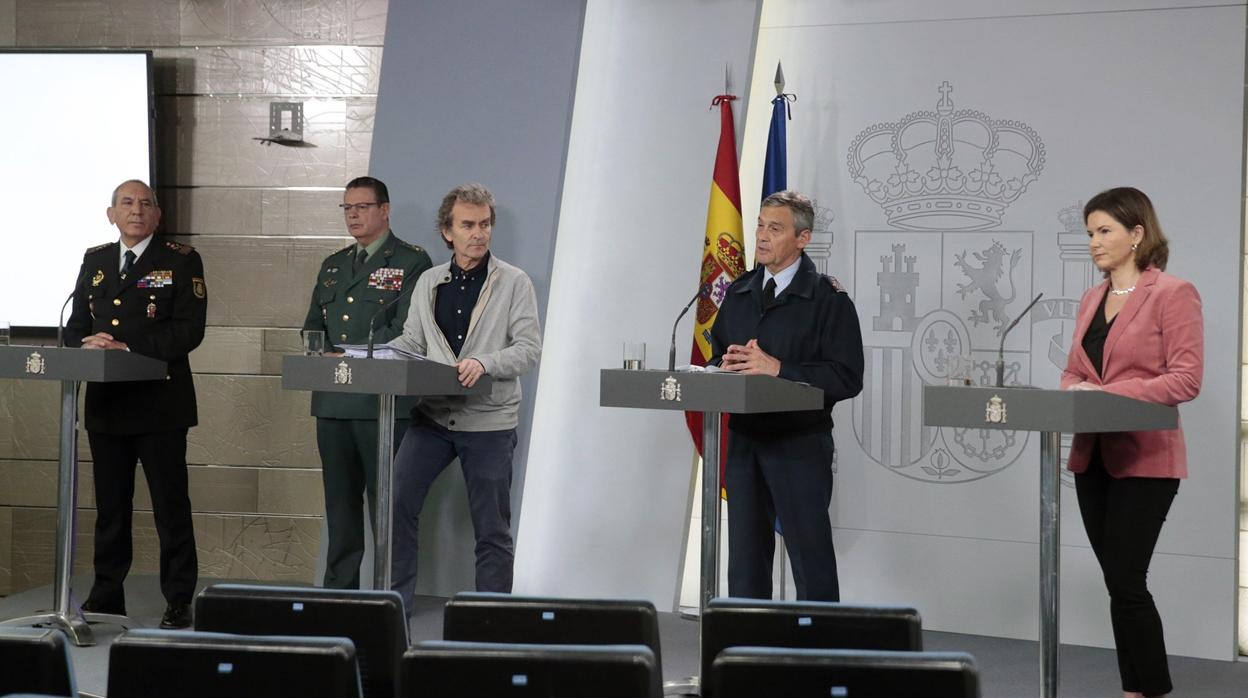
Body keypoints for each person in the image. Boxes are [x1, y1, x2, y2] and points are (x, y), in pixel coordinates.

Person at [1061, 187, 1202, 698]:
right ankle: (1134, 688)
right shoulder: (1090, 298)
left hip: (1146, 459)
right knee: (1117, 584)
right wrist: (1074, 390)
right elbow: (1075, 371)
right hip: (1090, 457)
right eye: (1090, 233)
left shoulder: (1173, 293)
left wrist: (1107, 392)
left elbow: (1186, 379)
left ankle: (1152, 688)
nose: (1094, 243)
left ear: (1137, 234)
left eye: (1104, 231)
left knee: (1126, 580)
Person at [388, 183, 541, 611]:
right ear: (447, 232)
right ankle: (395, 603)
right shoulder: (429, 282)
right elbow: (412, 341)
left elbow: (529, 349)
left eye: (485, 224)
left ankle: (489, 619)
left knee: (492, 527)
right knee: (398, 502)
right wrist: (374, 354)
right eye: (468, 225)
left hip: (489, 421)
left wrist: (486, 362)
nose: (479, 233)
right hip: (433, 418)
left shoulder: (514, 282)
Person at [63, 179, 207, 629]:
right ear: (112, 214)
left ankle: (179, 598)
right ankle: (107, 596)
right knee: (110, 509)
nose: (137, 210)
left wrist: (125, 345)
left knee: (170, 507)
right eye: (127, 203)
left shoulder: (181, 260)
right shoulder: (96, 260)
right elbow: (75, 325)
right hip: (106, 405)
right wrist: (87, 341)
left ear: (158, 216)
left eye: (146, 203)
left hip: (160, 404)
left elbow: (189, 329)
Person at [709, 189, 864, 601]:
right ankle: (746, 652)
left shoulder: (828, 300)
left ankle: (819, 655)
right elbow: (717, 354)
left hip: (799, 443)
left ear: (802, 238)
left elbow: (847, 377)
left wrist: (779, 369)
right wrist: (722, 366)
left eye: (774, 229)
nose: (761, 236)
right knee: (745, 558)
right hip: (745, 442)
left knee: (809, 557)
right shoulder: (739, 292)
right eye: (759, 225)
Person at [302, 176, 432, 589]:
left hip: (381, 405)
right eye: (347, 208)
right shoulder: (334, 265)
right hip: (333, 401)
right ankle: (339, 595)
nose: (353, 215)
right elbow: (312, 327)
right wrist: (318, 349)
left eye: (361, 207)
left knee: (386, 509)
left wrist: (352, 352)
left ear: (385, 210)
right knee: (339, 507)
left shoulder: (411, 262)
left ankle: (389, 596)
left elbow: (405, 329)